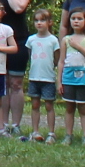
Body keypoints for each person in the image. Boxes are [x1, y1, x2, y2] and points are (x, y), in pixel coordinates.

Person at [57, 6, 85, 144]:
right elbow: (61, 61)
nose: (76, 21)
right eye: (73, 18)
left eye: (79, 18)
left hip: (84, 78)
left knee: (83, 108)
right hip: (68, 78)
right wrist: (59, 81)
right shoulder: (66, 40)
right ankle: (68, 135)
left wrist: (78, 47)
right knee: (69, 107)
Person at [24, 8, 59, 141]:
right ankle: (35, 131)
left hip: (48, 78)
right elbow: (30, 56)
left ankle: (51, 133)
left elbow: (56, 59)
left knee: (49, 105)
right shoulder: (31, 40)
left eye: (42, 20)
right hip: (34, 77)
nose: (39, 23)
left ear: (49, 22)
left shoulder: (53, 40)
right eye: (36, 20)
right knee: (35, 105)